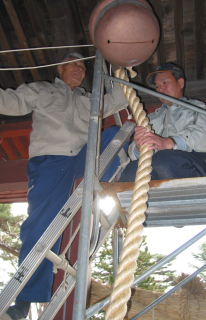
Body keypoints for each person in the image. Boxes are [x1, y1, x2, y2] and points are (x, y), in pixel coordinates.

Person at [0, 52, 128, 320]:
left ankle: (108, 182)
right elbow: (8, 101)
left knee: (117, 134)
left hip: (83, 156)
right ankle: (24, 300)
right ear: (59, 68)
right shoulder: (42, 91)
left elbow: (120, 97)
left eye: (83, 66)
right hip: (50, 161)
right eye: (74, 65)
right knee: (41, 225)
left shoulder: (88, 99)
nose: (80, 69)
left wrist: (123, 68)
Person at [118, 62, 206, 182]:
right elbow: (134, 154)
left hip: (195, 164)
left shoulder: (197, 107)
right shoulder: (150, 117)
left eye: (165, 82)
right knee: (130, 171)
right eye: (157, 86)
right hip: (158, 165)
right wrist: (138, 148)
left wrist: (168, 143)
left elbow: (200, 134)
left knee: (162, 159)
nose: (160, 89)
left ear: (180, 83)